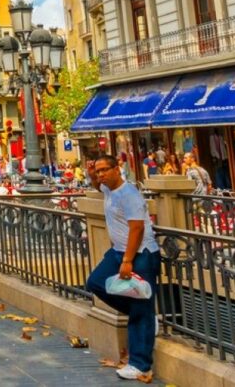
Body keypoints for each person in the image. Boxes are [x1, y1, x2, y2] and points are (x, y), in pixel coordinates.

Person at [85, 155, 160, 381]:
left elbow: (136, 228)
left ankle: (140, 364)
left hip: (140, 254)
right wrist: (91, 176)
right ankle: (146, 314)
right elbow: (98, 186)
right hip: (118, 251)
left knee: (139, 309)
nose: (101, 175)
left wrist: (128, 260)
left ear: (118, 169)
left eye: (104, 170)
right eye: (98, 171)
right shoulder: (109, 189)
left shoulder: (130, 195)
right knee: (95, 282)